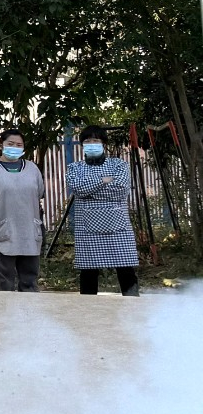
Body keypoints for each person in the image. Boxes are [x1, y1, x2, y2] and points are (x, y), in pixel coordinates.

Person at [65, 125, 139, 296]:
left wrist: (90, 189)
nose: (92, 144)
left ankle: (135, 309)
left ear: (104, 143)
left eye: (96, 140)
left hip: (118, 227)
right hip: (88, 229)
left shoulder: (119, 164)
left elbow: (120, 190)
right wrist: (104, 180)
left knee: (126, 270)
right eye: (88, 141)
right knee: (89, 273)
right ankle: (87, 314)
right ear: (82, 144)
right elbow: (78, 189)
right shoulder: (74, 167)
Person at [0, 127, 45, 291]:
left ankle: (29, 313)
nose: (15, 147)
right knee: (4, 279)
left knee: (29, 279)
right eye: (10, 143)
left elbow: (39, 193)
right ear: (1, 145)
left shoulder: (32, 169)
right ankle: (5, 314)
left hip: (29, 229)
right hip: (3, 228)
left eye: (19, 144)